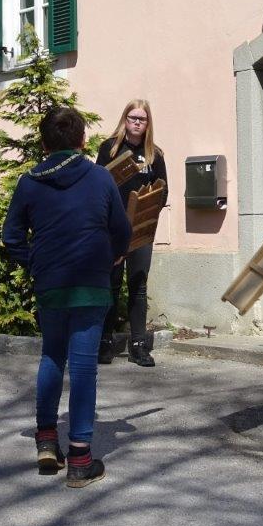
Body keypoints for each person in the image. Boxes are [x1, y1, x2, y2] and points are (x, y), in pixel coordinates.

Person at [3, 107, 131, 488]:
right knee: (84, 368)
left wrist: (35, 263)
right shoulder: (101, 178)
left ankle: (46, 441)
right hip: (91, 284)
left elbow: (11, 237)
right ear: (83, 141)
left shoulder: (29, 182)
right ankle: (80, 459)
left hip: (51, 285)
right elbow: (122, 230)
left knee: (51, 357)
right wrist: (112, 256)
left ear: (44, 144)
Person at [95, 99, 168, 367]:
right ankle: (104, 342)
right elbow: (97, 187)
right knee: (111, 285)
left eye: (142, 119)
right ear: (125, 119)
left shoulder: (154, 154)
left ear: (148, 123)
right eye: (133, 118)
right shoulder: (109, 149)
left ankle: (138, 346)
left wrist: (147, 216)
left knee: (138, 285)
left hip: (140, 230)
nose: (137, 123)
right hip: (113, 230)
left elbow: (163, 191)